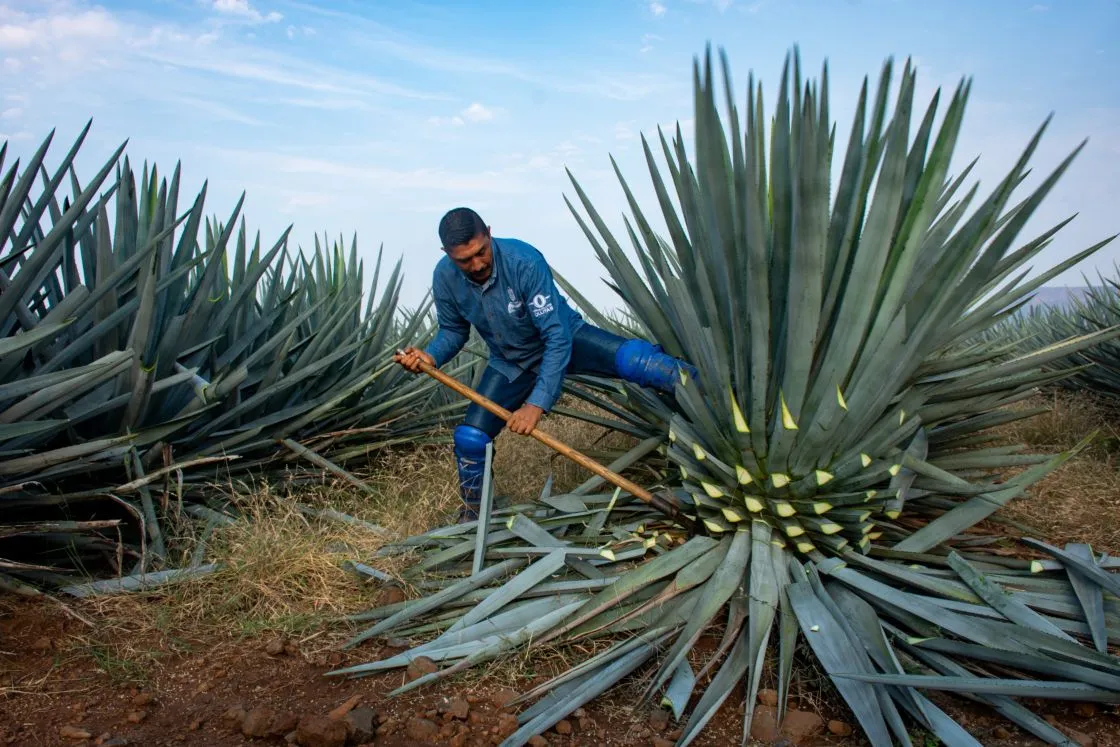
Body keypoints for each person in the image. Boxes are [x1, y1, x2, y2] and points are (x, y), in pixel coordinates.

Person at [395, 207, 698, 522]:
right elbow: (454, 331)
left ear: (488, 231)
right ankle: (474, 517)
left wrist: (535, 405)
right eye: (464, 260)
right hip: (512, 362)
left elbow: (556, 337)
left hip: (568, 338)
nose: (477, 264)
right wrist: (431, 356)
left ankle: (719, 398)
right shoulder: (444, 276)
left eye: (481, 252)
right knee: (470, 440)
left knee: (639, 361)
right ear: (447, 254)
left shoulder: (524, 261)